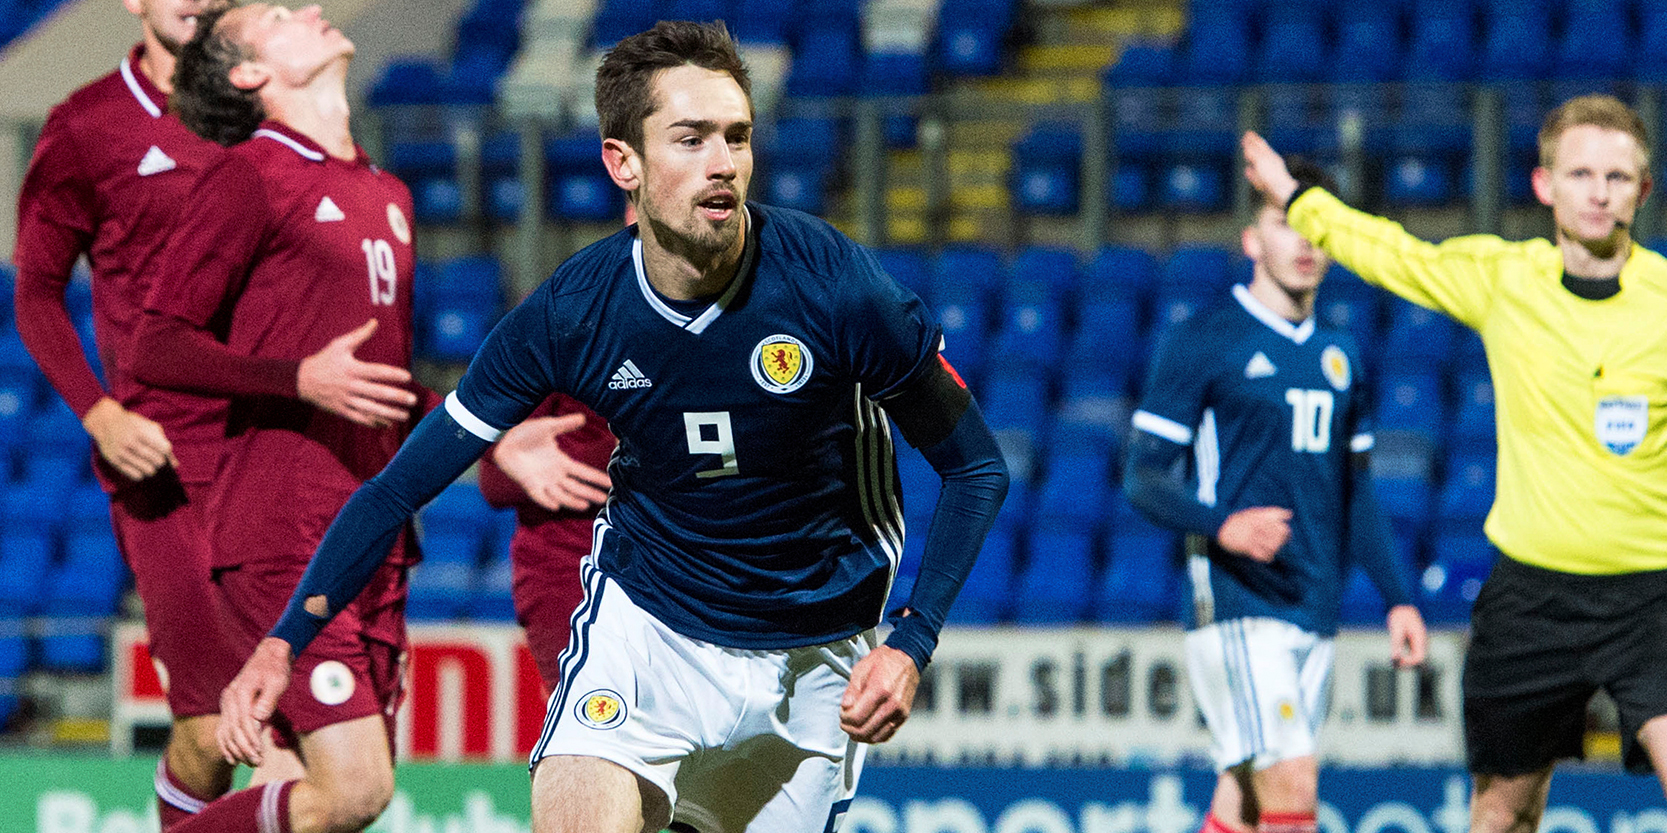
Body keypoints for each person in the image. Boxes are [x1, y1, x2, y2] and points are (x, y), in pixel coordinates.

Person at [215, 19, 1009, 833]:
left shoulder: (834, 286)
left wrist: (911, 641)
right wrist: (282, 644)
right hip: (649, 631)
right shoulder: (573, 313)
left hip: (815, 655)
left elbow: (976, 467)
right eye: (690, 138)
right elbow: (394, 491)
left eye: (736, 137)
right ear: (622, 162)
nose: (722, 164)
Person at [1242, 93, 1667, 832]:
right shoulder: (1503, 279)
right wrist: (1296, 199)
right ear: (1543, 185)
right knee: (1502, 810)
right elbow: (1389, 253)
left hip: (1652, 596)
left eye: (1616, 177)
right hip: (1531, 597)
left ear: (1643, 189)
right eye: (1579, 174)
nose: (1598, 193)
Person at [130, 4, 432, 831]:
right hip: (284, 529)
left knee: (315, 805)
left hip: (372, 536)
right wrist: (295, 377)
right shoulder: (251, 174)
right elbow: (156, 346)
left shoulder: (388, 192)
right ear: (247, 73)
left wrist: (495, 427)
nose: (310, 9)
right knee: (357, 789)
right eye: (278, 14)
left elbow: (385, 385)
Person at [11, 0, 301, 825]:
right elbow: (34, 292)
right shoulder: (89, 125)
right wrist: (97, 412)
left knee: (300, 726)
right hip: (164, 468)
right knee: (212, 729)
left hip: (280, 454)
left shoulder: (275, 111)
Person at [1124, 158, 1428, 833]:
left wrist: (1397, 595)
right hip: (1237, 597)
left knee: (1245, 797)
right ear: (1251, 239)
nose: (1303, 243)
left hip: (1313, 599)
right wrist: (1222, 524)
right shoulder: (1204, 338)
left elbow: (1354, 490)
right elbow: (1142, 474)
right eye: (1284, 225)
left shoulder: (1339, 353)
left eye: (1314, 228)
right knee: (1291, 779)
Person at [476, 394, 615, 690]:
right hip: (575, 572)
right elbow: (497, 478)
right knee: (592, 722)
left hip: (685, 560)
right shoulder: (553, 350)